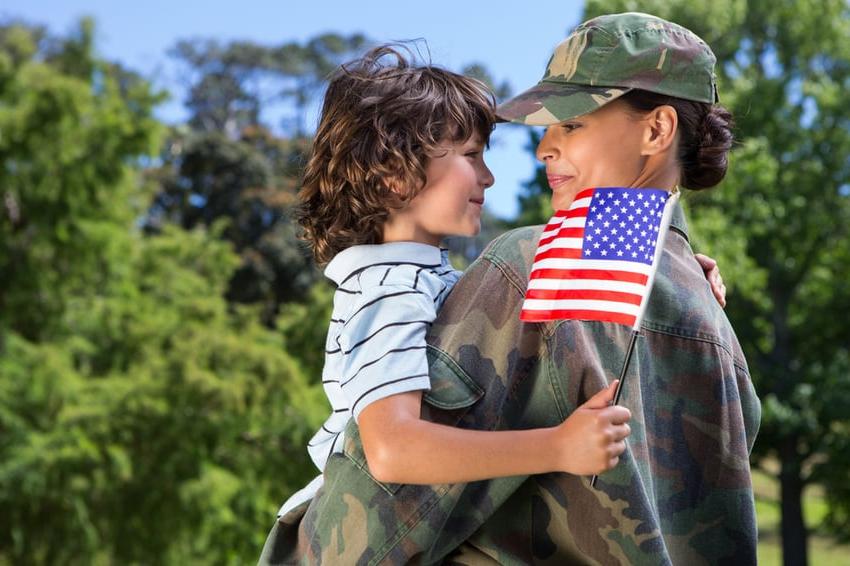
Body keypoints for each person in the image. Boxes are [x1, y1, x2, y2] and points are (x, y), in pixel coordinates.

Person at [261, 16, 747, 564]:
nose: (542, 149)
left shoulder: (529, 267)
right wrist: (557, 446)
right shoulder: (395, 287)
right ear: (395, 177)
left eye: (571, 124)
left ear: (656, 131)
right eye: (470, 156)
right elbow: (392, 451)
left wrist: (672, 266)